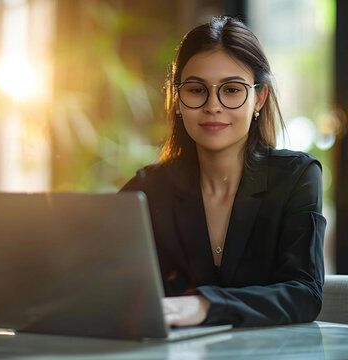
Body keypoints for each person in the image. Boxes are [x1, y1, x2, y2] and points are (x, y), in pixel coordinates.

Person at [120, 16, 326, 328]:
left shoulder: (296, 177)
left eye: (231, 90)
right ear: (177, 100)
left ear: (259, 98)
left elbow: (304, 294)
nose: (213, 106)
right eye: (196, 89)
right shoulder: (148, 188)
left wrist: (205, 305)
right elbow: (109, 285)